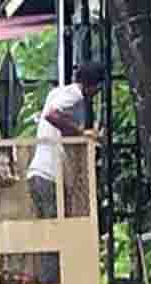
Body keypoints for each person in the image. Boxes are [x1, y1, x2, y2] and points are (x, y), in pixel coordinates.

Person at [28, 62, 105, 220]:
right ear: (93, 85)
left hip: (37, 174)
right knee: (57, 233)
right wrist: (82, 133)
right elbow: (51, 115)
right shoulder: (75, 95)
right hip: (48, 174)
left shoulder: (57, 93)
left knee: (49, 232)